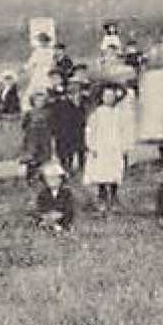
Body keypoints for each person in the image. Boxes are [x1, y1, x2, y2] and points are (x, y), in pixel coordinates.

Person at [85, 82, 129, 214]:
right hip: (101, 145)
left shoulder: (119, 113)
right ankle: (102, 197)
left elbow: (124, 130)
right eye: (106, 96)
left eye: (112, 96)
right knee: (101, 172)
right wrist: (91, 145)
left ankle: (114, 197)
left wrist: (124, 145)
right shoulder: (97, 113)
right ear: (101, 97)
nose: (109, 98)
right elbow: (90, 130)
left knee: (114, 172)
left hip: (115, 146)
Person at [50, 80, 88, 177]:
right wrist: (55, 131)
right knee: (64, 152)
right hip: (63, 132)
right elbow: (56, 118)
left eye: (78, 92)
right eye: (72, 93)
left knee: (77, 150)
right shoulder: (61, 104)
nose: (76, 95)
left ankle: (78, 168)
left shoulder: (82, 103)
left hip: (77, 131)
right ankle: (66, 168)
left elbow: (83, 117)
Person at [21, 90, 55, 183]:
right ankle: (30, 177)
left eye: (42, 101)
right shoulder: (30, 113)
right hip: (32, 137)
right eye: (37, 101)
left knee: (43, 157)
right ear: (33, 102)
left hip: (44, 137)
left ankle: (42, 176)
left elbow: (52, 124)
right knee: (32, 156)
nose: (40, 103)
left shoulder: (48, 112)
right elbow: (24, 125)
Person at [34, 161, 75, 232]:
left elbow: (69, 208)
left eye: (55, 178)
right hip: (47, 216)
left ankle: (60, 227)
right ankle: (48, 226)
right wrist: (47, 215)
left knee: (66, 221)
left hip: (62, 217)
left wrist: (59, 214)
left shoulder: (66, 193)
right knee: (41, 220)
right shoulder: (43, 194)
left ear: (61, 180)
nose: (52, 181)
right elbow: (40, 207)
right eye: (49, 179)